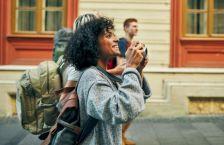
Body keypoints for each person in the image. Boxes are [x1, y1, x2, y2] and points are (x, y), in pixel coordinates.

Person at [64, 17, 148, 145]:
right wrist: (130, 67)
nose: (116, 39)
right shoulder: (91, 77)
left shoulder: (100, 73)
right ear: (92, 43)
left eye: (114, 34)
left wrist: (138, 69)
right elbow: (122, 110)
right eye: (108, 36)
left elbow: (135, 100)